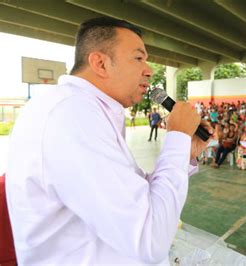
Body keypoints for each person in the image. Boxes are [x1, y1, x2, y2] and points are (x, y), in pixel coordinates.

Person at [6, 17, 213, 264]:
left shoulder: (88, 110)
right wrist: (177, 137)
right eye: (138, 58)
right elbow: (150, 239)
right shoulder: (71, 114)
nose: (149, 69)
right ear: (100, 63)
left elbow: (139, 195)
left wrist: (184, 153)